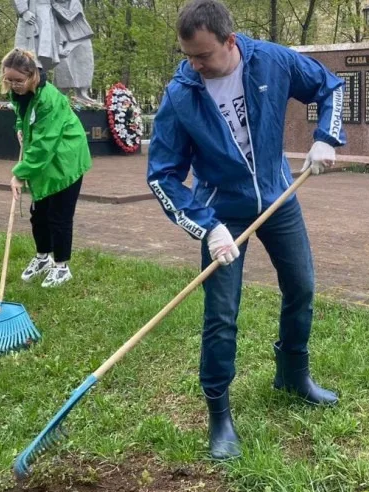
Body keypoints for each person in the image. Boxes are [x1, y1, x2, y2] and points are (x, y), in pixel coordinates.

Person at [146, 0, 346, 460]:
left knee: (301, 287)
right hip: (223, 211)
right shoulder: (181, 94)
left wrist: (324, 138)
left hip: (279, 196)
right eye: (188, 56)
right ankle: (220, 414)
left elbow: (330, 86)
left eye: (203, 56)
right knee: (221, 315)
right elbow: (162, 175)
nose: (194, 65)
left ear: (229, 41)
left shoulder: (271, 61)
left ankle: (293, 375)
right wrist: (207, 228)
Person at [1, 48, 92, 288]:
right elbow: (23, 116)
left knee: (59, 216)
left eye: (18, 80)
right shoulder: (20, 94)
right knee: (39, 213)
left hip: (65, 158)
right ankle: (43, 258)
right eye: (8, 80)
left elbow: (45, 143)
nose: (13, 85)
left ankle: (62, 266)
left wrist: (20, 174)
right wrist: (20, 127)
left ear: (33, 76)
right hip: (44, 161)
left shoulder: (49, 99)